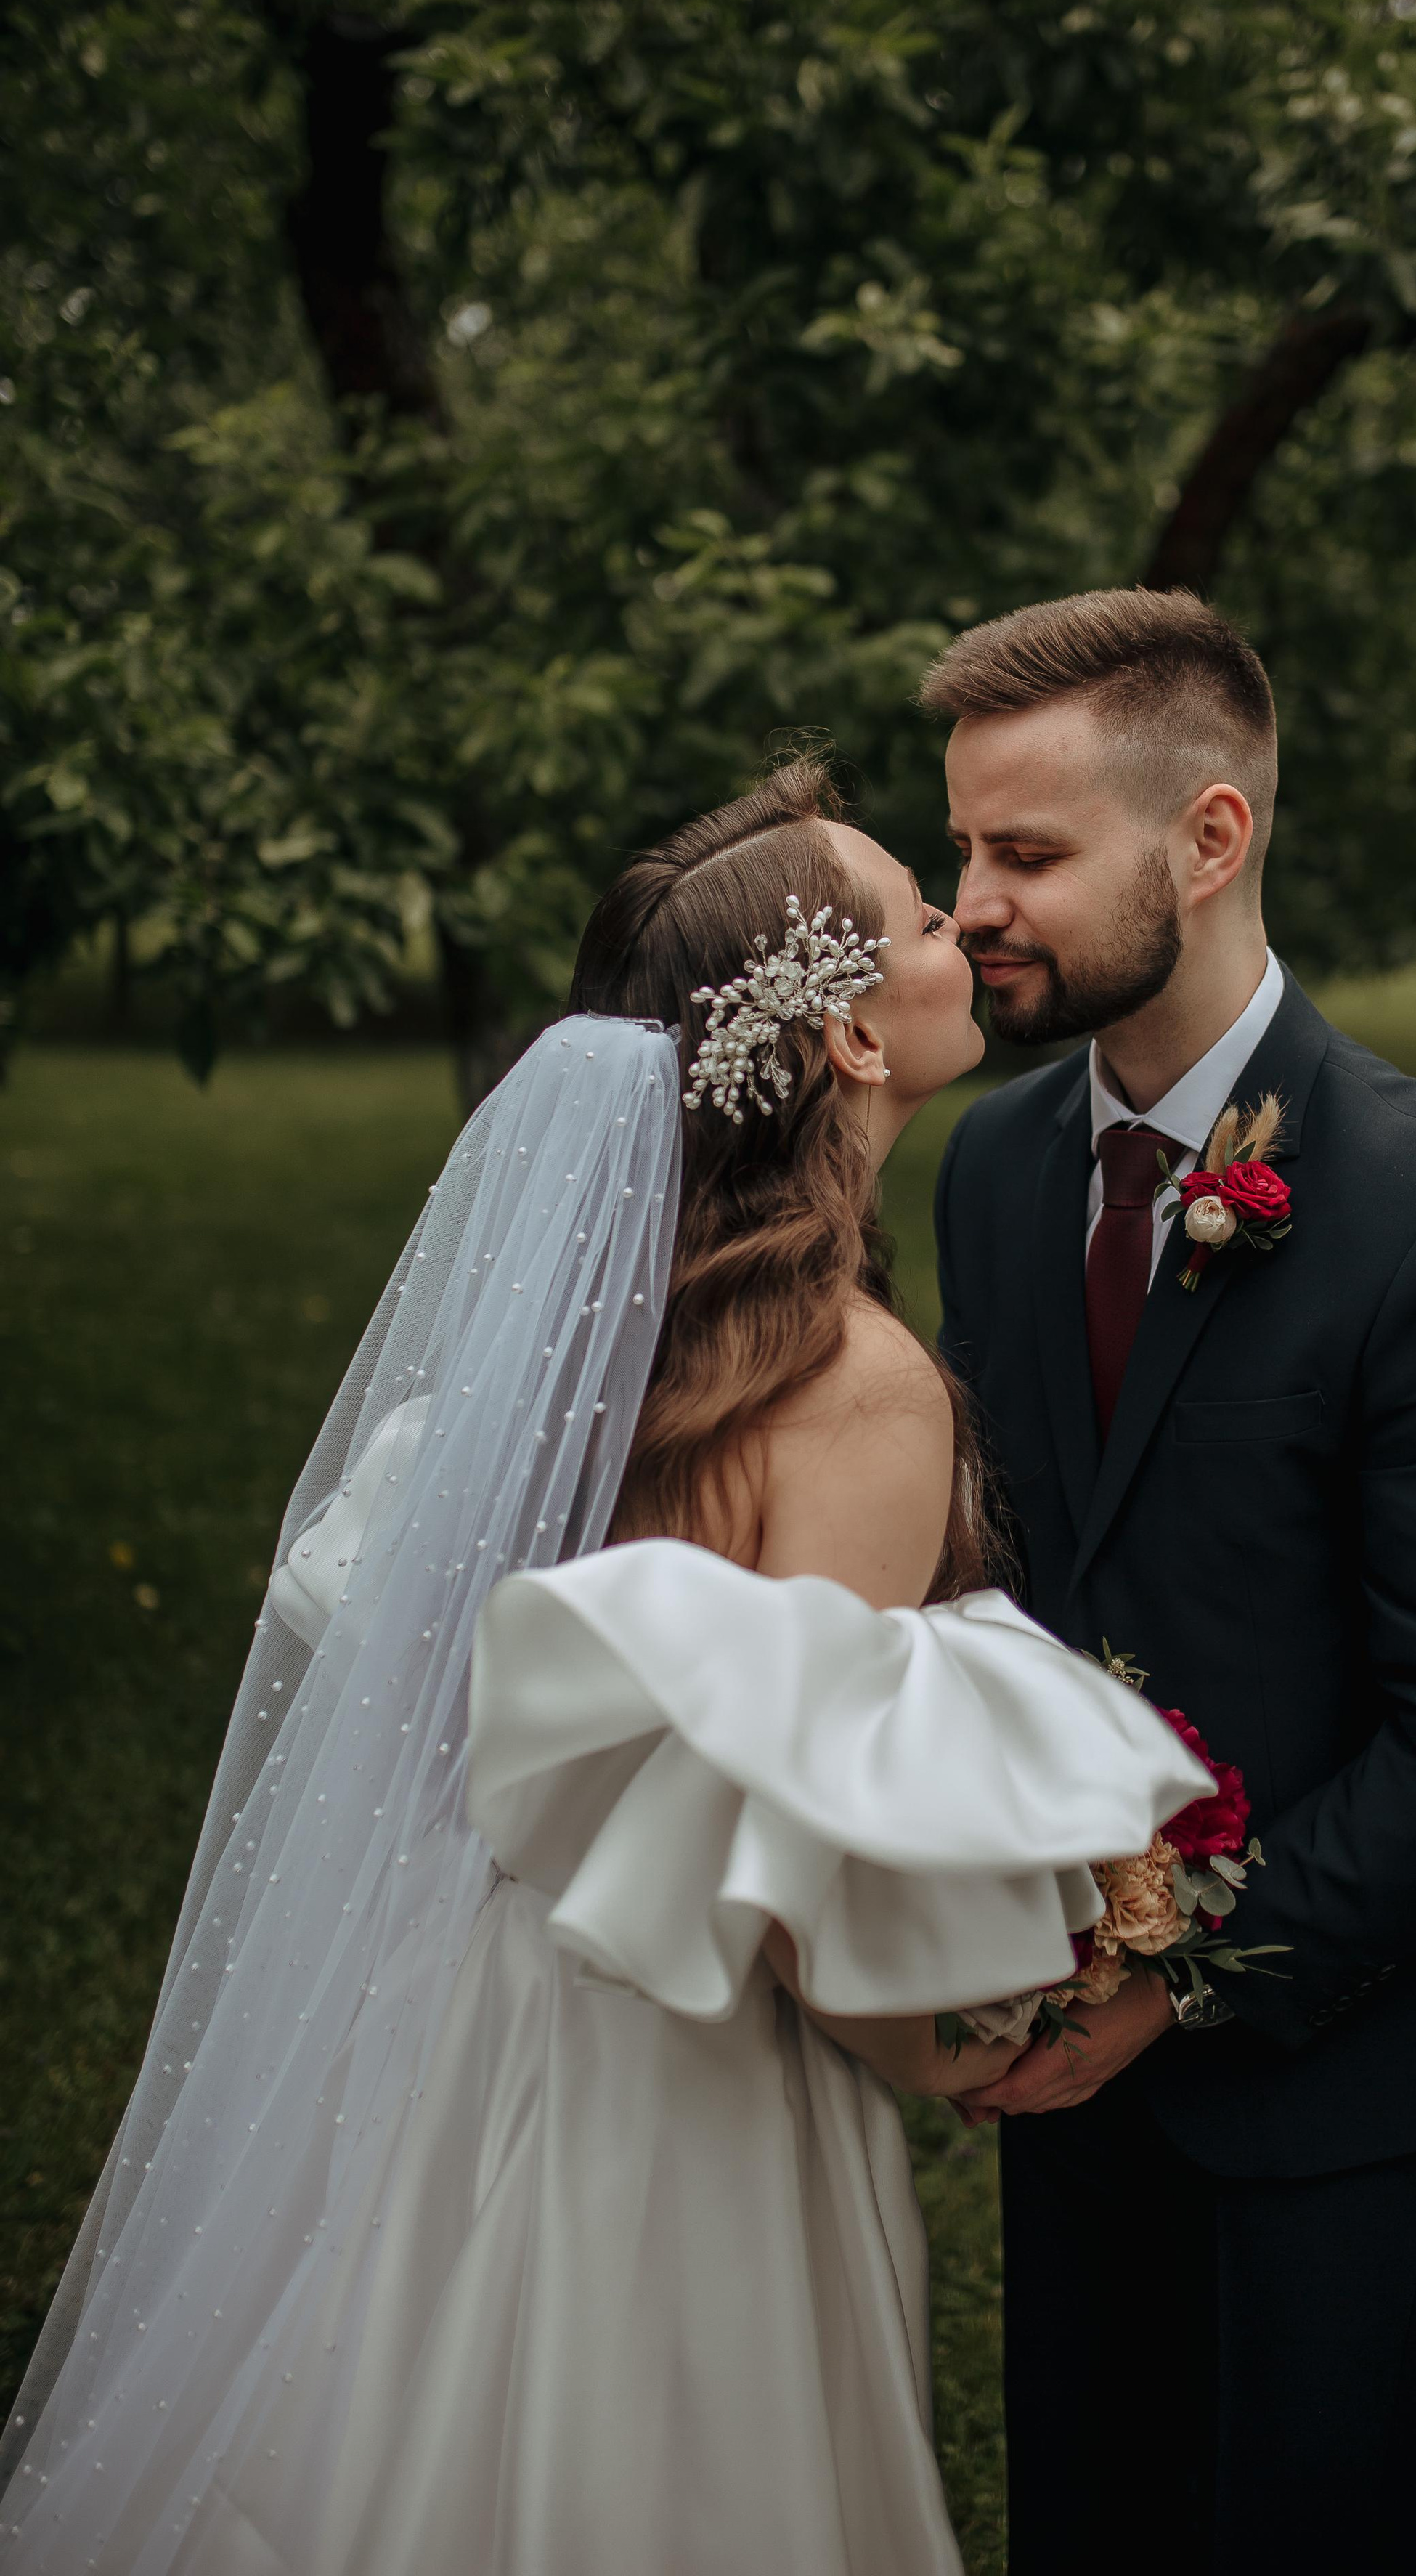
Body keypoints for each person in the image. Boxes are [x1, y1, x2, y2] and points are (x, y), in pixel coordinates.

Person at [1, 759, 1210, 2576]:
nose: (958, 919)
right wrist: (977, 2029)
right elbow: (799, 1863)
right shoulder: (860, 1389)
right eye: (907, 907)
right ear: (853, 1048)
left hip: (445, 2016)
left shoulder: (594, 1339)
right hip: (676, 2084)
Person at [931, 589, 1416, 2576]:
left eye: (1029, 855)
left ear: (1209, 839)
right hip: (1061, 2042)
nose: (974, 899)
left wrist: (1178, 1974)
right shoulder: (989, 1167)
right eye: (965, 846)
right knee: (1087, 2507)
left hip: (1340, 2049)